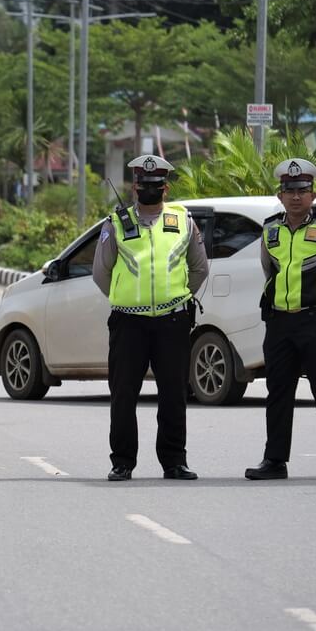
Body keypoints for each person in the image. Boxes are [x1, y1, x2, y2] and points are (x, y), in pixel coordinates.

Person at [92, 155, 209, 481]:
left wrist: (179, 297)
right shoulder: (116, 223)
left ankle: (174, 462)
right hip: (128, 323)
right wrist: (127, 298)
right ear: (134, 187)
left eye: (155, 186)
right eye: (143, 185)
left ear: (165, 188)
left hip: (172, 321)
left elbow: (200, 268)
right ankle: (122, 462)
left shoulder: (182, 220)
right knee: (123, 394)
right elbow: (101, 272)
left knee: (173, 393)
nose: (148, 190)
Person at [245, 158, 316, 481]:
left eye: (303, 191)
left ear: (313, 194)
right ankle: (275, 460)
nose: (296, 197)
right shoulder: (271, 229)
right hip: (279, 324)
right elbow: (269, 271)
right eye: (290, 191)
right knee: (278, 393)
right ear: (280, 195)